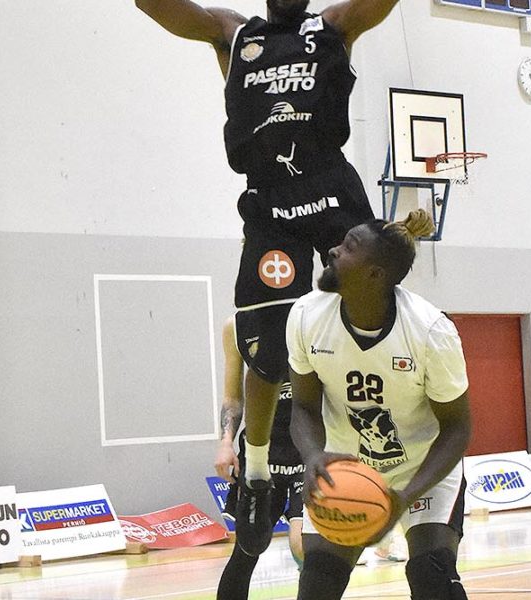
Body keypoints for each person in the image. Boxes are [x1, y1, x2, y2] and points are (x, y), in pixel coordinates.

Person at [134, 0, 401, 556]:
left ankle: (381, 461)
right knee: (267, 347)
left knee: (373, 322)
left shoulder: (331, 27)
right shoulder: (233, 34)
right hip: (269, 198)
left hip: (331, 186)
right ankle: (256, 470)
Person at [286, 209, 472, 600]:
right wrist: (313, 455)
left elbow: (457, 428)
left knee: (431, 573)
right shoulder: (305, 316)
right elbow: (302, 406)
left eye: (348, 247)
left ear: (375, 274)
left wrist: (403, 498)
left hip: (422, 467)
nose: (333, 251)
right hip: (344, 467)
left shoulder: (431, 331)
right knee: (319, 581)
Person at [214, 315, 304, 599]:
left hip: (308, 445)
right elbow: (233, 397)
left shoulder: (308, 314)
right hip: (262, 451)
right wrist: (226, 442)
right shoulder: (235, 327)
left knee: (303, 543)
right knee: (246, 549)